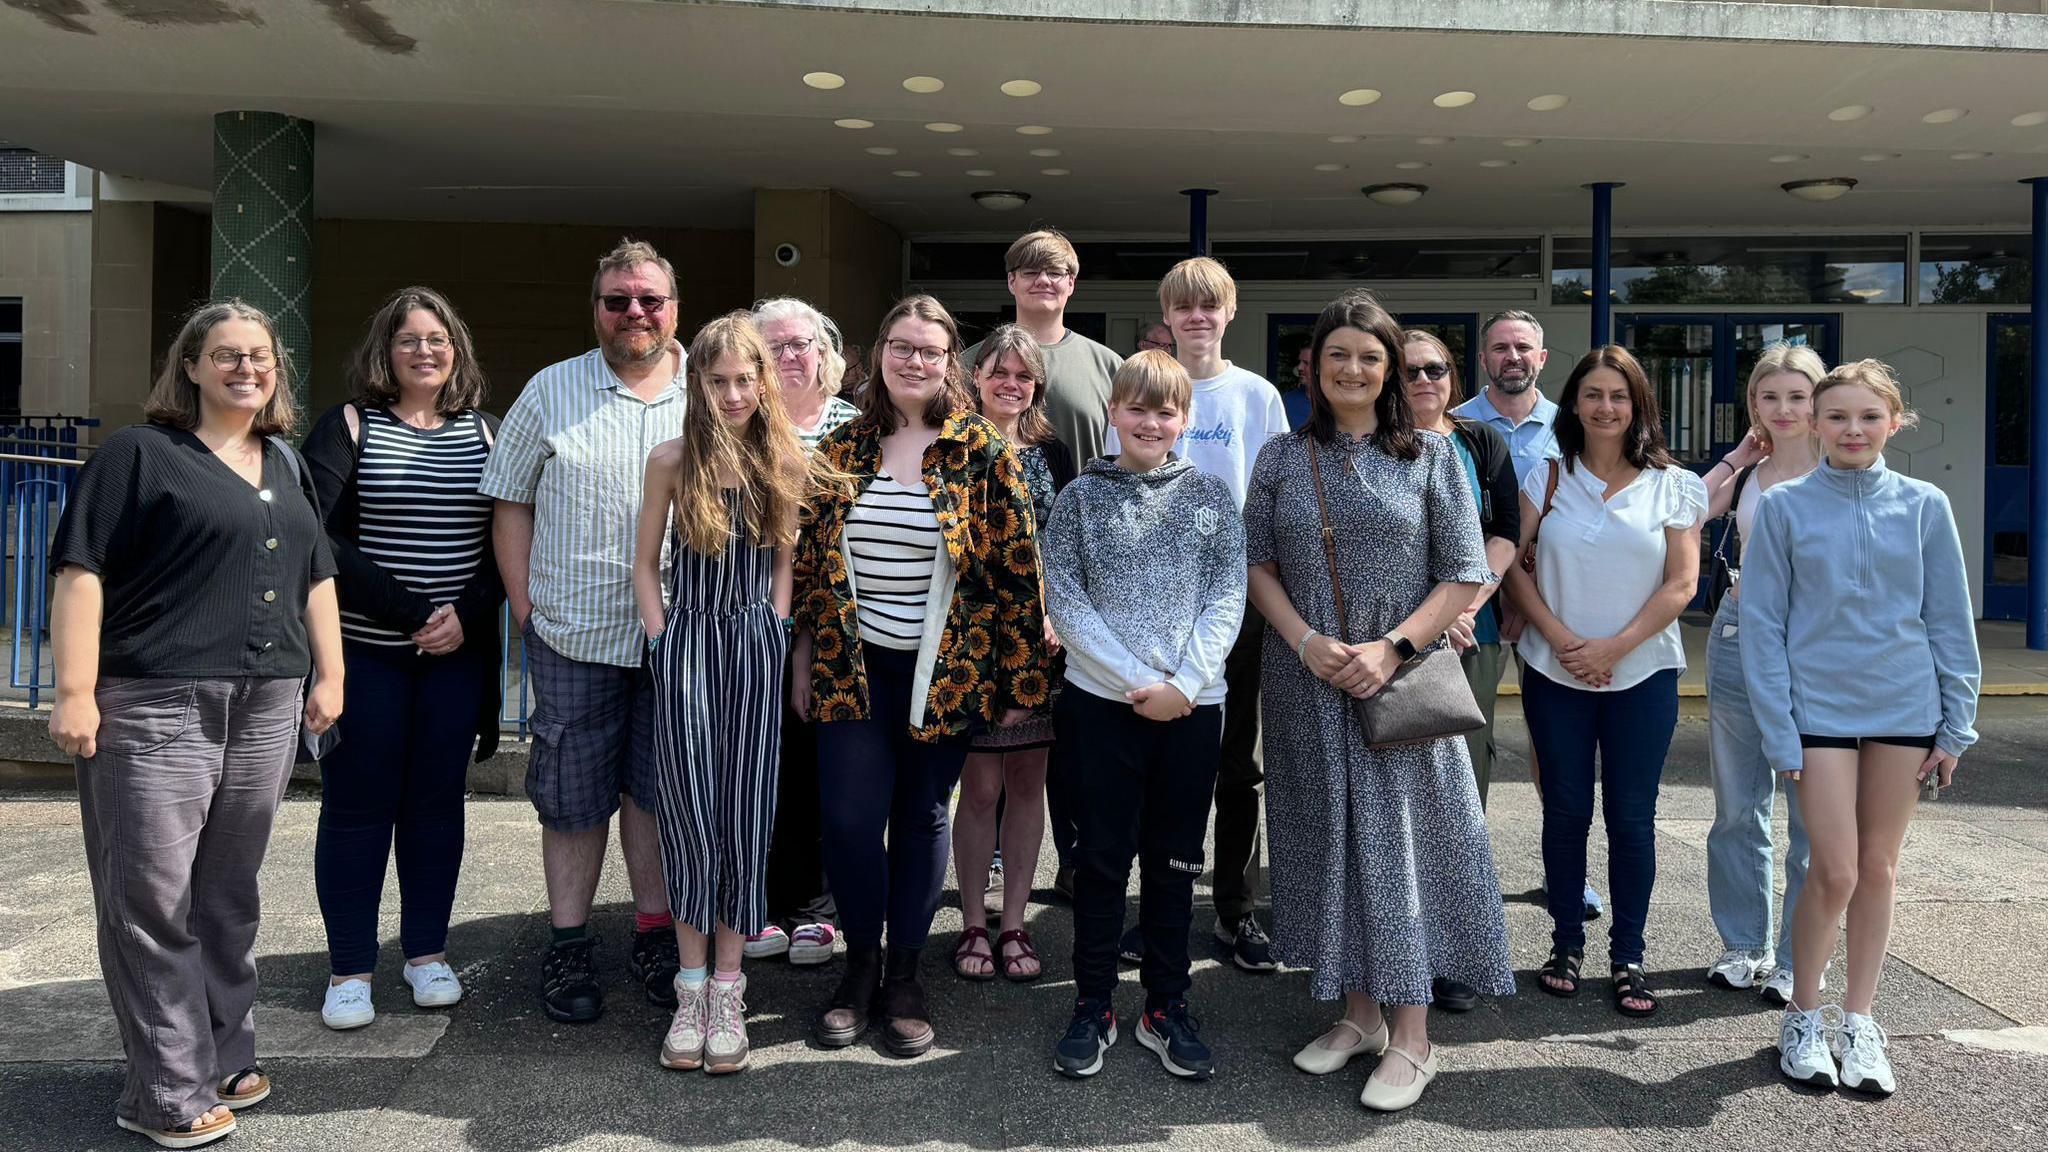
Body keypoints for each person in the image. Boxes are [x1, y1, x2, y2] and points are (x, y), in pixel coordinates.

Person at [47, 300, 343, 1149]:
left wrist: (332, 673)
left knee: (225, 894)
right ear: (190, 366)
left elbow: (316, 573)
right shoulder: (140, 455)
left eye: (259, 356)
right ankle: (164, 1092)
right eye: (225, 355)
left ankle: (219, 1056)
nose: (245, 368)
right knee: (152, 900)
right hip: (154, 702)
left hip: (265, 701)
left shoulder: (283, 463)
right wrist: (74, 690)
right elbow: (81, 569)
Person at [1247, 291, 1512, 1112]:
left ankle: (1415, 1035)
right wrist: (1303, 640)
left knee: (1402, 845)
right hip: (1306, 680)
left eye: (1369, 356)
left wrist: (1392, 647)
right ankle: (1358, 1015)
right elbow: (1257, 564)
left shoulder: (1431, 456)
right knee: (1330, 839)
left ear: (1389, 368)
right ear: (1313, 369)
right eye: (1338, 357)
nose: (1353, 370)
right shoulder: (1282, 458)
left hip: (1399, 682)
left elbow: (1465, 571)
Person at [793, 294, 1045, 1057]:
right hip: (850, 668)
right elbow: (808, 570)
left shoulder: (981, 452)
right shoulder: (841, 449)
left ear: (949, 365)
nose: (914, 361)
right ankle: (859, 965)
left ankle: (904, 973)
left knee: (924, 813)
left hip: (948, 671)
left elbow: (1016, 575)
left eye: (930, 351)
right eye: (901, 346)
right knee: (846, 817)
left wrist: (1018, 688)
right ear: (878, 355)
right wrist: (801, 661)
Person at [1746, 360, 1980, 1097]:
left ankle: (1860, 1022)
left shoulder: (1924, 504)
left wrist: (1956, 725)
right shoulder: (1783, 508)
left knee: (1879, 868)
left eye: (1869, 417)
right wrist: (1779, 731)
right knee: (1834, 869)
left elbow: (1948, 616)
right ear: (1813, 424)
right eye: (1838, 417)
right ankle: (1803, 1013)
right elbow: (1762, 628)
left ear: (1894, 423)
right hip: (1816, 713)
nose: (1853, 430)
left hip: (1904, 709)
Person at [478, 238, 688, 1022]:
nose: (634, 312)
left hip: (678, 635)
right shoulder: (550, 390)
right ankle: (568, 943)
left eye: (649, 299)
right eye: (617, 299)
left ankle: (654, 932)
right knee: (570, 800)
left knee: (658, 793)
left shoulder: (713, 390)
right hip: (572, 632)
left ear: (674, 307)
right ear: (596, 308)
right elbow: (511, 501)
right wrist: (525, 607)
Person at [304, 286, 502, 1032]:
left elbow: (506, 545)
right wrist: (411, 610)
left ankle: (426, 955)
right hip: (366, 654)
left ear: (457, 351)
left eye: (438, 339)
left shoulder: (487, 431)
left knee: (435, 806)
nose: (425, 351)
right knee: (357, 810)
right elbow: (314, 536)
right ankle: (350, 968)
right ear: (384, 352)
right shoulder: (349, 426)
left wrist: (465, 614)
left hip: (452, 660)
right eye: (409, 339)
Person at [1044, 350, 1245, 1081]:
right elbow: (1065, 597)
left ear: (1185, 420)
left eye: (1166, 411)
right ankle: (1093, 1003)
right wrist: (1137, 681)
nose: (1151, 422)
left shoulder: (1211, 498)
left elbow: (1228, 595)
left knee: (1173, 862)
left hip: (1193, 708)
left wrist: (1186, 682)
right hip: (1104, 707)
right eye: (1138, 408)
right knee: (1099, 861)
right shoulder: (1080, 500)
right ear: (1113, 413)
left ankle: (1167, 1004)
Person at [633, 313, 810, 1074]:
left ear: (763, 382)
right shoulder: (672, 459)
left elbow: (784, 567)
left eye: (746, 378)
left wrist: (774, 631)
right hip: (689, 644)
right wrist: (661, 638)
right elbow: (644, 564)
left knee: (745, 812)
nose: (733, 392)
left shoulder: (784, 458)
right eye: (719, 379)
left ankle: (730, 990)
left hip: (753, 648)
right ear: (696, 383)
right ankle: (691, 986)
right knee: (687, 811)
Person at [1506, 345, 1706, 1020]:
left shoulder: (1674, 485)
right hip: (1553, 669)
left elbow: (1682, 583)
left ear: (1638, 404)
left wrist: (1616, 647)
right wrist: (1563, 641)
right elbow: (1512, 566)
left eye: (1618, 395)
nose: (1605, 407)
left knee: (1631, 818)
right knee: (1565, 811)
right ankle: (1565, 941)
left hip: (1642, 672)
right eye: (1592, 394)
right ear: (1575, 403)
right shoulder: (1547, 476)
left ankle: (1629, 954)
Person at [1106, 256, 1289, 973]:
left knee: (1237, 764)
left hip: (1236, 605)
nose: (1197, 317)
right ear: (1168, 313)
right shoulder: (1142, 382)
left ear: (1229, 312)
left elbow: (1273, 502)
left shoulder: (1255, 396)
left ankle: (1235, 910)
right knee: (1148, 763)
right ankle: (1149, 913)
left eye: (1209, 306)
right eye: (1184, 306)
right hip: (1149, 606)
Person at [964, 229, 1121, 895]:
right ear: (1010, 282)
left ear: (1073, 282)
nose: (1043, 281)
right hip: (979, 599)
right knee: (987, 752)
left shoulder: (1105, 363)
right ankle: (988, 869)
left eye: (1056, 272)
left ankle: (1071, 865)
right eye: (1029, 271)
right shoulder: (968, 358)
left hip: (1071, 583)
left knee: (1067, 745)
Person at [1451, 309, 1603, 922]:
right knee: (1467, 741)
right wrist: (1499, 595)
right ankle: (1464, 871)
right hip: (1479, 607)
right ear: (1483, 359)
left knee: (1555, 747)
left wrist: (1527, 592)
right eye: (1499, 348)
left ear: (1542, 359)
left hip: (1550, 604)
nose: (1512, 357)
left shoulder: (1574, 429)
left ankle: (1567, 873)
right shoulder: (1454, 423)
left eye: (1523, 348)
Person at [1699, 343, 1824, 1003]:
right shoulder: (1748, 476)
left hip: (1820, 652)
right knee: (1739, 807)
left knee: (1814, 813)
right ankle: (1742, 944)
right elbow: (1685, 513)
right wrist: (1738, 458)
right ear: (1754, 405)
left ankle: (1798, 957)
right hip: (1739, 637)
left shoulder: (1848, 469)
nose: (1782, 410)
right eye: (1768, 397)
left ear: (1818, 401)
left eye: (1796, 396)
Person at [1400, 327, 1518, 1014]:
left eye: (1436, 368)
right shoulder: (1376, 444)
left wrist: (1465, 605)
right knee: (1397, 800)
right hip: (1393, 640)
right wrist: (1425, 622)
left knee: (1460, 796)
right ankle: (1395, 940)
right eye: (1410, 370)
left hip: (1473, 635)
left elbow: (1505, 530)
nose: (1423, 381)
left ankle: (1450, 954)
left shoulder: (1479, 442)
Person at [953, 325, 1074, 983]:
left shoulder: (1053, 453)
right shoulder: (954, 446)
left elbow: (1066, 541)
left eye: (1023, 376)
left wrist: (1053, 612)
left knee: (1029, 782)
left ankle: (1016, 923)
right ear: (976, 378)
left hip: (1042, 645)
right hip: (974, 643)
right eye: (999, 372)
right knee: (979, 786)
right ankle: (973, 920)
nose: (1010, 384)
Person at [747, 296, 861, 966]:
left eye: (802, 343)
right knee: (755, 766)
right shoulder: (739, 423)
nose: (791, 356)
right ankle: (757, 903)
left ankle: (818, 908)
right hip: (744, 622)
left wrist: (809, 640)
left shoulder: (853, 428)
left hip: (836, 631)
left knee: (823, 769)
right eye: (776, 345)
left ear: (825, 354)